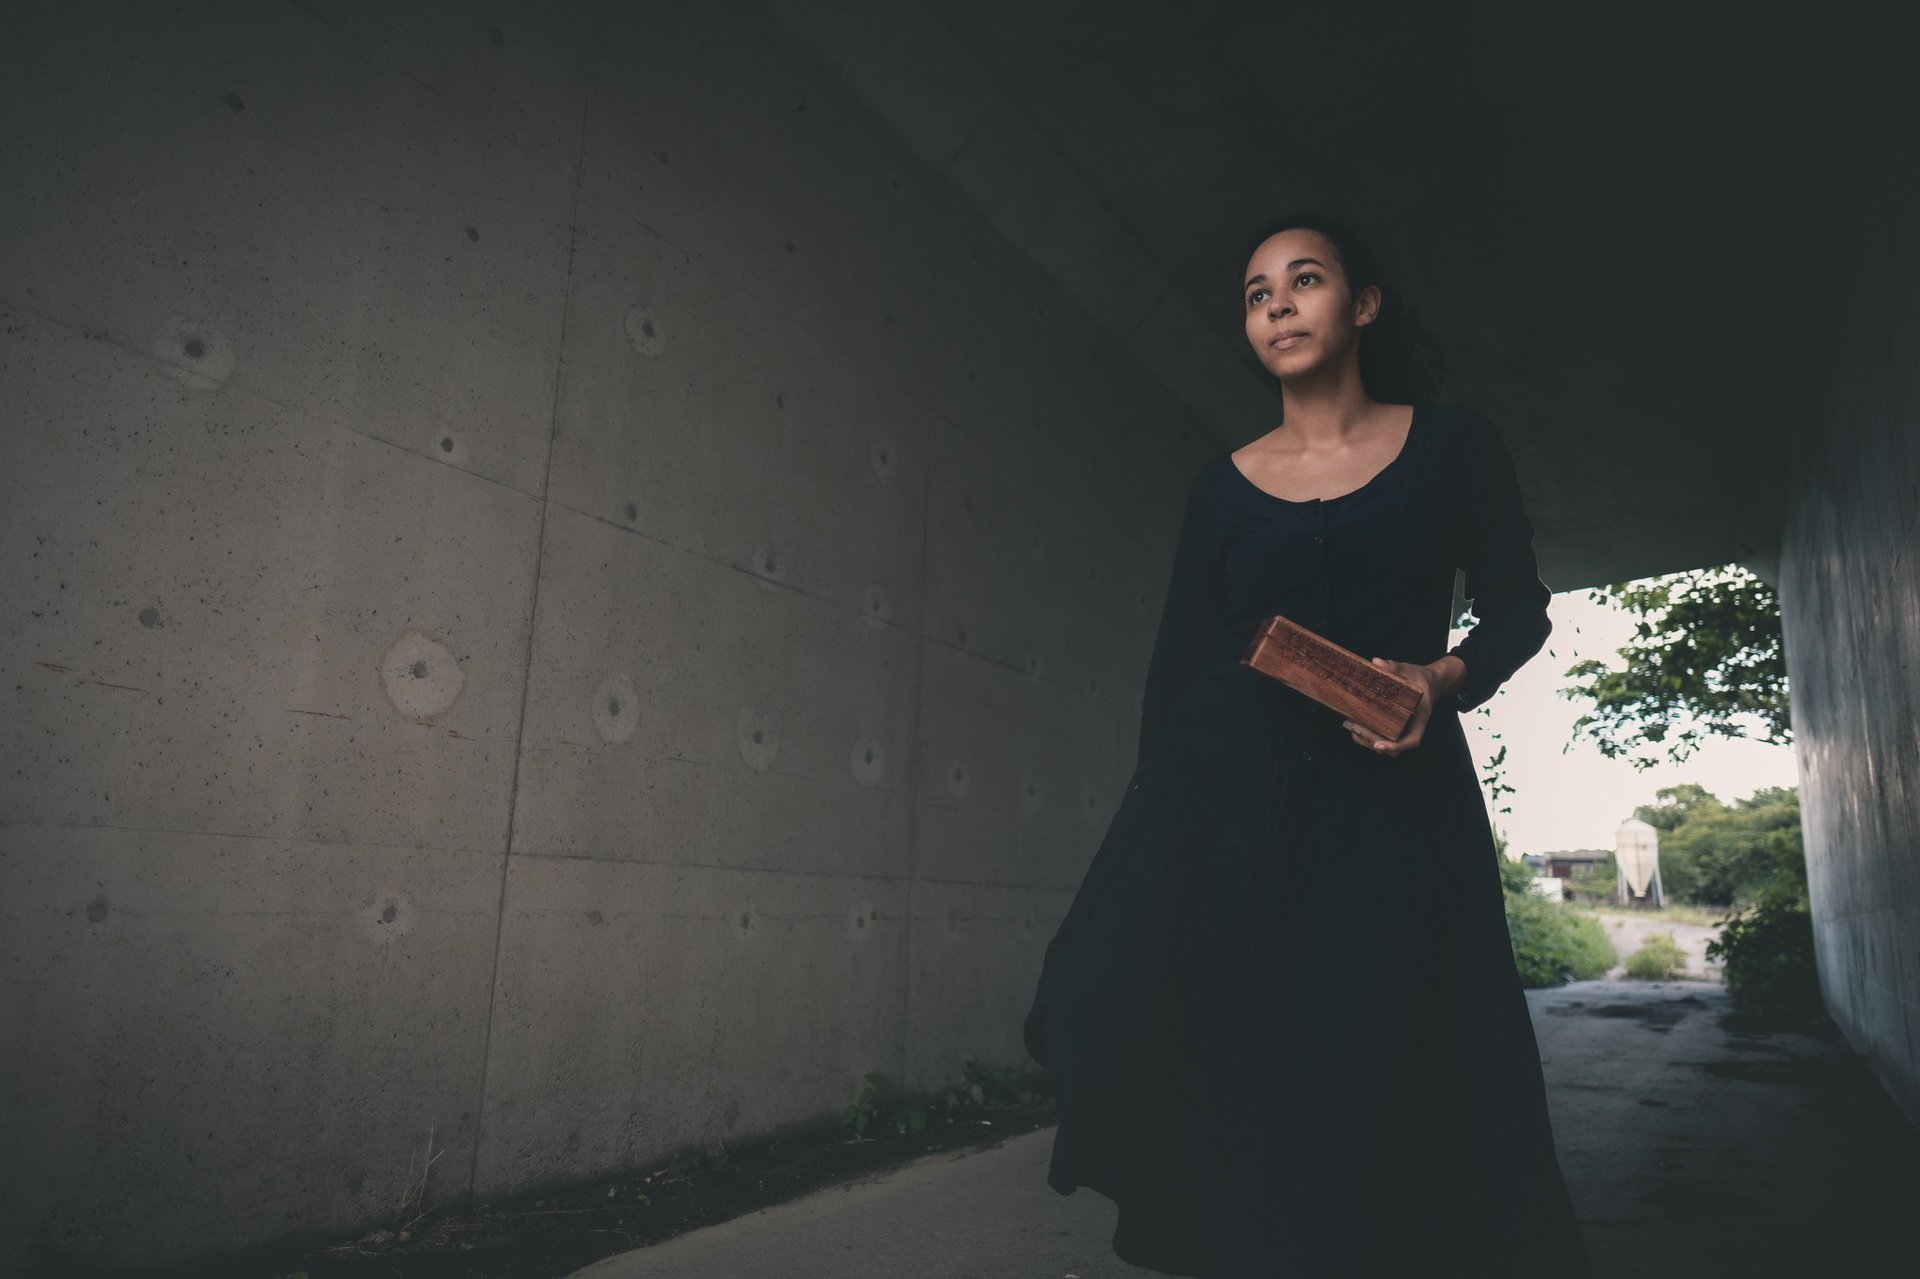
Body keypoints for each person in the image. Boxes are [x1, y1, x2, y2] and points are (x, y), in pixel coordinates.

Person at [1021, 212, 1594, 1277]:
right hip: (1234, 816)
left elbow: (1519, 608)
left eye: (1306, 278)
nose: (1277, 302)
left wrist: (1440, 677)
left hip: (1400, 810)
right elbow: (1180, 669)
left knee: (1411, 1078)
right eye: (1255, 291)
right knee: (1238, 1075)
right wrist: (1155, 850)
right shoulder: (1220, 484)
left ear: (1363, 303)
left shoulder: (1454, 444)